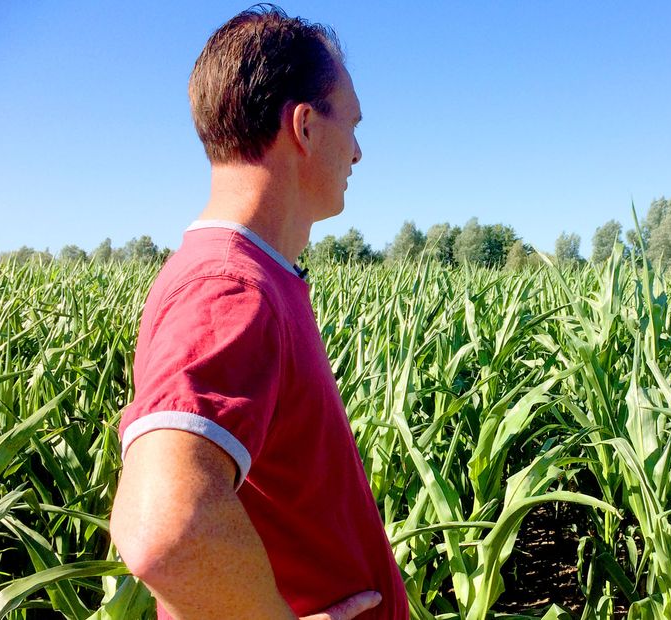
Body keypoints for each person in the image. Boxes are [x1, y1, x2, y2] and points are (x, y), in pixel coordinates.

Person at [109, 6, 409, 619]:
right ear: (304, 127)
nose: (357, 152)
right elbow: (162, 530)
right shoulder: (230, 286)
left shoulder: (245, 274)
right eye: (351, 125)